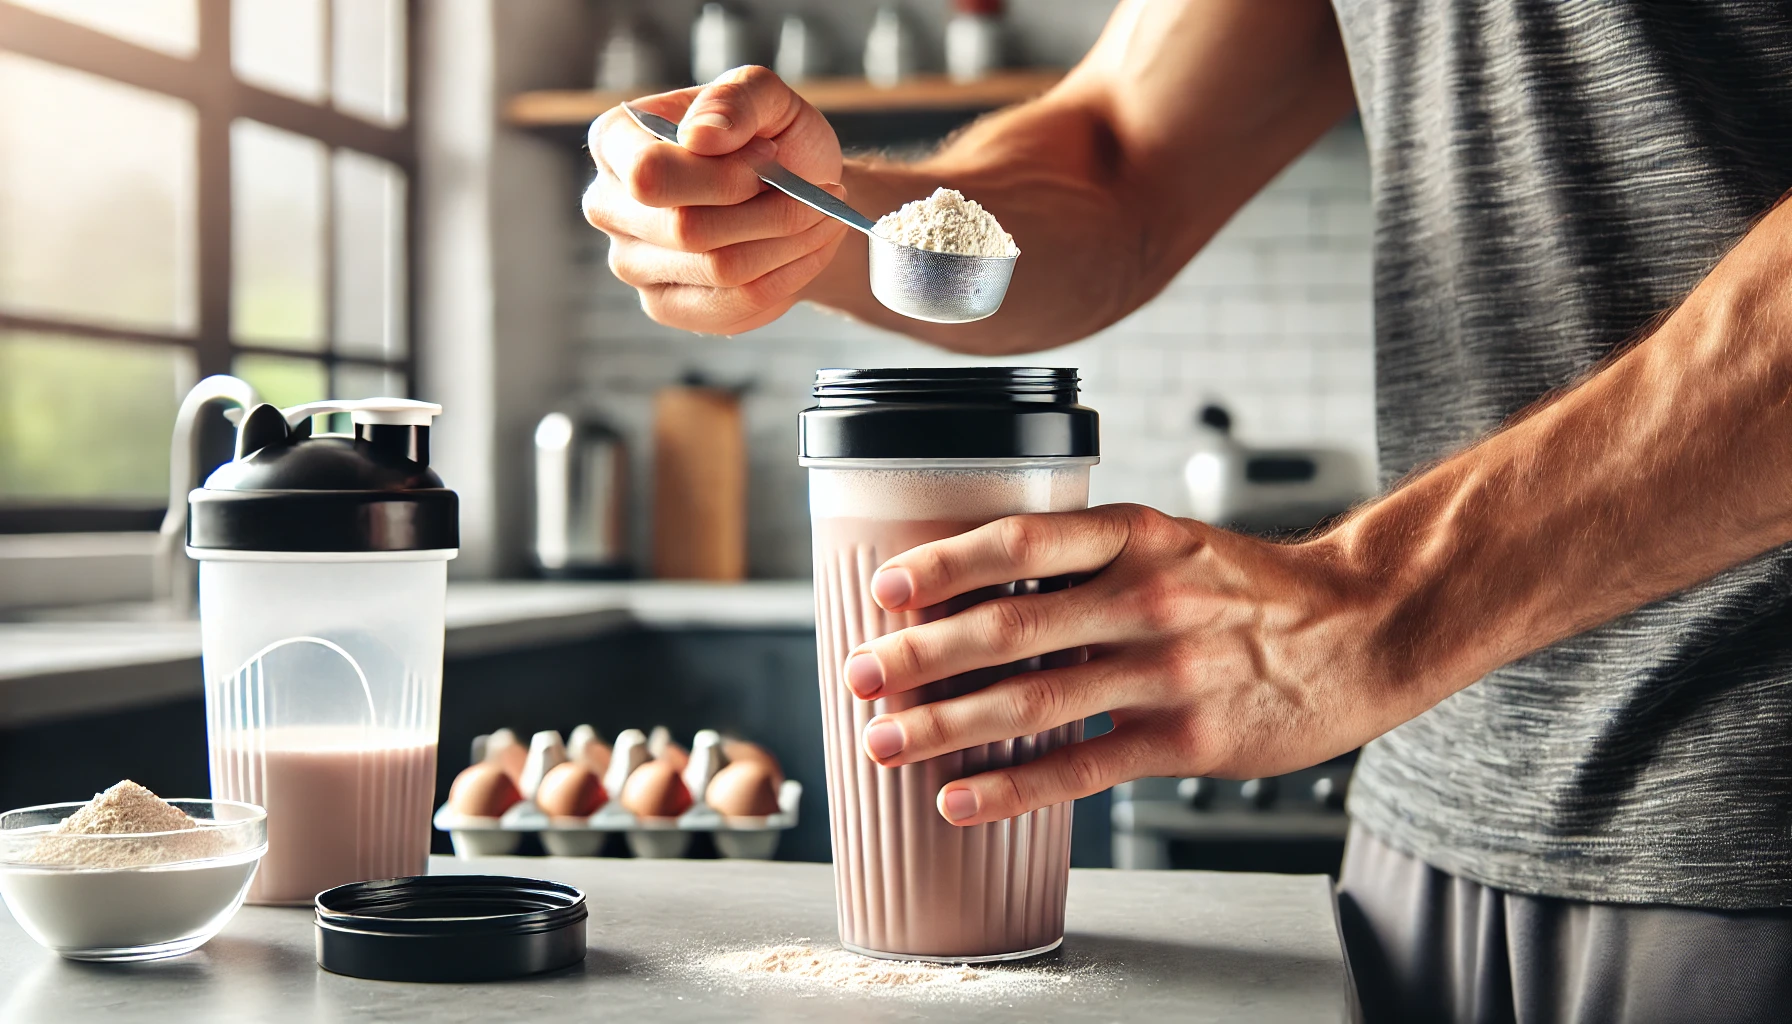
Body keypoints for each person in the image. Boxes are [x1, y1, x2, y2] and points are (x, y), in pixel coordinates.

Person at [583, 1, 1792, 1019]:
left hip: (1749, 839)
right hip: (1430, 823)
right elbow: (1118, 153)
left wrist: (1391, 596)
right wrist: (822, 226)